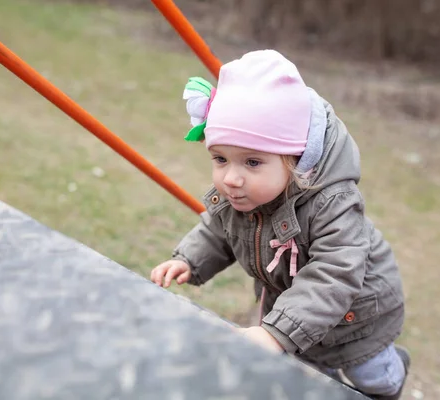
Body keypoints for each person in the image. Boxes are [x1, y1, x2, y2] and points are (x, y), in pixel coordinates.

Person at [150, 49, 410, 399]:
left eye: (252, 162)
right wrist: (188, 260)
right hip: (292, 316)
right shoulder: (240, 196)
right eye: (220, 159)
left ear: (294, 159)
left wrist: (276, 333)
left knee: (375, 380)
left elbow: (335, 273)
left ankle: (395, 369)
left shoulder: (332, 203)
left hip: (357, 321)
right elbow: (217, 231)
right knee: (307, 383)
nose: (231, 178)